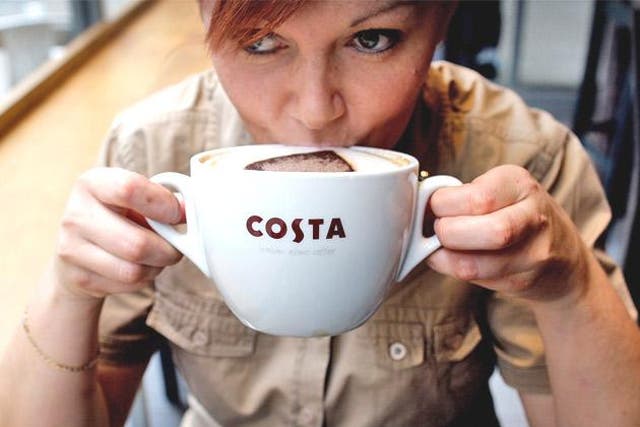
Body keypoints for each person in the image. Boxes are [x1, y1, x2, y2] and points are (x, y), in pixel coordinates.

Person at [1, 1, 639, 426]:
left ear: (440, 21)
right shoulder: (154, 150)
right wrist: (67, 291)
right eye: (260, 42)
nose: (314, 111)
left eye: (372, 38)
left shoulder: (521, 157)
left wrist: (572, 290)